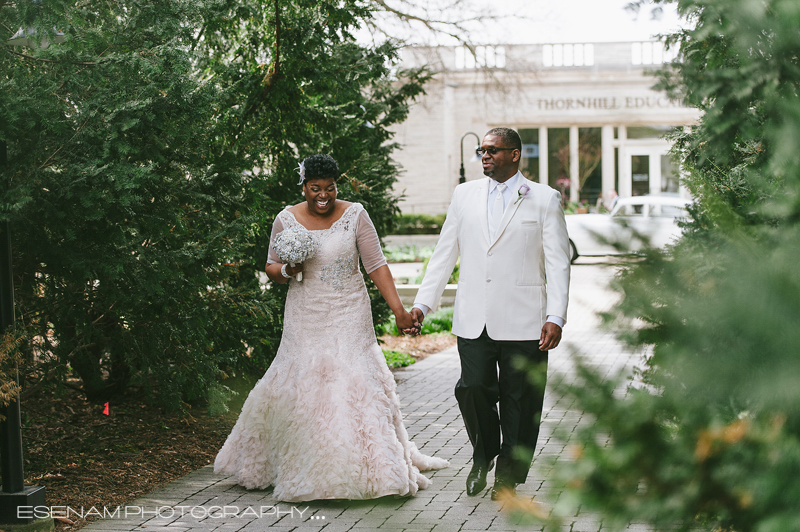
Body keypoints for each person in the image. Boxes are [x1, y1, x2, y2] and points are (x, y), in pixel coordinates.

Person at [215, 154, 448, 502]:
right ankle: (298, 463)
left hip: (350, 311)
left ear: (337, 186)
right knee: (302, 378)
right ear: (304, 186)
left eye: (330, 188)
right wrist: (289, 270)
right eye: (315, 188)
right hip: (305, 314)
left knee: (354, 379)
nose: (322, 195)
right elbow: (271, 267)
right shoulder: (286, 219)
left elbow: (376, 265)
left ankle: (370, 468)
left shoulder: (355, 214)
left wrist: (399, 310)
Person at [411, 128, 570, 500]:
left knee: (521, 398)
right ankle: (483, 454)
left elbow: (558, 263)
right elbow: (444, 252)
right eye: (482, 149)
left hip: (526, 318)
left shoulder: (544, 198)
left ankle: (508, 477)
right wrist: (422, 303)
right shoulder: (463, 195)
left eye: (493, 150)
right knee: (473, 388)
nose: (484, 155)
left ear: (515, 155)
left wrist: (556, 316)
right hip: (474, 317)